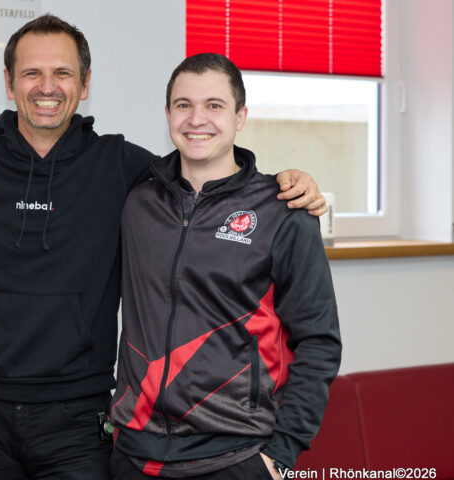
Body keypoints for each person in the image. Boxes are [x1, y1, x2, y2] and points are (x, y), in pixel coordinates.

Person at [0, 15, 326, 480]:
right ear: (9, 82)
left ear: (85, 83)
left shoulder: (125, 167)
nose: (47, 86)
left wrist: (285, 182)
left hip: (80, 417)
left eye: (63, 73)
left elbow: (205, 170)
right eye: (32, 73)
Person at [110, 53, 341, 480]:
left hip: (236, 455)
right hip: (134, 452)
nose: (197, 119)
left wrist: (282, 454)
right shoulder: (137, 202)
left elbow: (319, 341)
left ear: (240, 117)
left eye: (214, 105)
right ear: (167, 114)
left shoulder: (283, 211)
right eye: (183, 105)